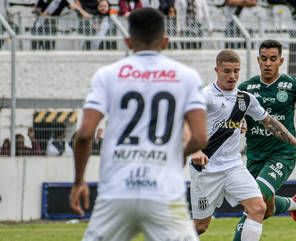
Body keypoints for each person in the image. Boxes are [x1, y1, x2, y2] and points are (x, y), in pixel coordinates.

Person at [69, 7, 207, 241]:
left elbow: (84, 135)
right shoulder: (186, 76)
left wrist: (79, 181)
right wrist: (179, 153)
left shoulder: (107, 74)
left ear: (128, 40)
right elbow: (200, 138)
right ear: (165, 41)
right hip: (164, 193)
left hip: (116, 192)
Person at [190, 50, 296, 240]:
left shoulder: (245, 99)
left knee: (258, 207)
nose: (232, 76)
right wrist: (196, 150)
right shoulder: (205, 96)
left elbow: (270, 122)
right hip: (207, 169)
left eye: (236, 71)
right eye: (227, 71)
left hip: (233, 167)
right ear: (216, 70)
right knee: (200, 227)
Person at [233, 39, 296, 240]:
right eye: (264, 59)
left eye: (273, 59)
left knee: (255, 202)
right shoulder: (247, 87)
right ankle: (294, 203)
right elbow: (236, 118)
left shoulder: (293, 85)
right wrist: (240, 124)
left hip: (282, 154)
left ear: (281, 60)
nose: (268, 63)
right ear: (258, 60)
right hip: (255, 155)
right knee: (266, 209)